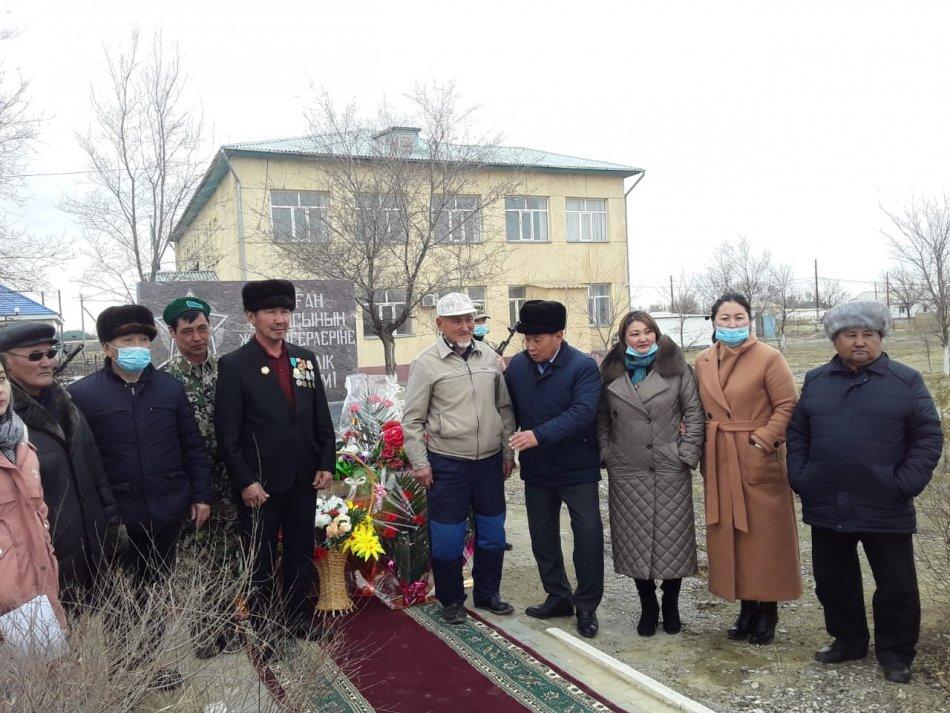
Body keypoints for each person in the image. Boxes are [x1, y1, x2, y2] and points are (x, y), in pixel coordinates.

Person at [787, 301, 942, 684]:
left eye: (867, 334)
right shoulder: (817, 380)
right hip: (827, 499)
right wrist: (801, 475)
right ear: (835, 339)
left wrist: (904, 483)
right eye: (850, 335)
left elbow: (928, 436)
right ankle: (848, 640)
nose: (859, 342)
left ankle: (896, 654)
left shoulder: (906, 381)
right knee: (833, 579)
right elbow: (799, 433)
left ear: (880, 338)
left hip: (884, 501)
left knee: (896, 584)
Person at [69, 304, 212, 690]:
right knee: (120, 599)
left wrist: (201, 494)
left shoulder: (169, 387)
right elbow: (80, 461)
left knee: (155, 590)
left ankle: (149, 665)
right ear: (108, 348)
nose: (138, 347)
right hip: (117, 518)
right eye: (127, 340)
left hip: (167, 509)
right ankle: (124, 671)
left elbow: (192, 445)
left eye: (144, 340)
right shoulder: (83, 395)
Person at [214, 279, 336, 645]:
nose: (280, 319)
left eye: (284, 311)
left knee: (300, 554)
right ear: (252, 317)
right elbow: (228, 434)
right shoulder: (235, 365)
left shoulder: (304, 359)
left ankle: (298, 617)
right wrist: (245, 481)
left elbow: (319, 418)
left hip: (302, 479)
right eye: (271, 312)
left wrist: (325, 461)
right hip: (260, 486)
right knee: (261, 563)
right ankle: (266, 629)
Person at [694, 292, 801, 646]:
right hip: (720, 459)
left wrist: (764, 439)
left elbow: (787, 404)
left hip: (758, 457)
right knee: (731, 534)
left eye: (739, 317)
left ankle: (768, 608)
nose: (732, 324)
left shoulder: (769, 357)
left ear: (750, 320)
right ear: (713, 322)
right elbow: (697, 408)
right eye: (724, 318)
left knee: (765, 536)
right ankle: (744, 605)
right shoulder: (704, 360)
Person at [403, 292, 516, 625]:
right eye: (457, 321)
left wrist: (508, 450)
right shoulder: (426, 364)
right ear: (440, 324)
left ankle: (488, 594)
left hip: (489, 463)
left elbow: (504, 408)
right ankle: (451, 600)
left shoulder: (489, 357)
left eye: (469, 319)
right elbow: (411, 420)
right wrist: (420, 462)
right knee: (448, 536)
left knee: (493, 532)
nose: (465, 326)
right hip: (447, 463)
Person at [0, 322, 124, 605]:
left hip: (91, 550)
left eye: (51, 353)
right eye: (35, 356)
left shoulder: (69, 406)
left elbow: (96, 471)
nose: (47, 362)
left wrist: (113, 526)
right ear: (6, 363)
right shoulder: (8, 425)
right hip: (42, 562)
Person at [597, 311, 704, 636]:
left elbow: (694, 413)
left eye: (647, 332)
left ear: (656, 334)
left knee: (675, 540)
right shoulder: (611, 374)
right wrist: (607, 453)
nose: (641, 339)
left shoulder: (678, 370)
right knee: (634, 541)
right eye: (634, 334)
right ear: (623, 339)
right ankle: (648, 606)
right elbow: (602, 419)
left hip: (669, 468)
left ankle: (670, 603)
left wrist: (685, 453)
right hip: (627, 470)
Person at [504, 300, 604, 638]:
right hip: (538, 470)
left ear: (559, 336)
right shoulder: (517, 367)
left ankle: (586, 606)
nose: (530, 347)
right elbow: (507, 409)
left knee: (587, 535)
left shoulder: (583, 367)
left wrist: (538, 434)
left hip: (577, 467)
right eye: (526, 340)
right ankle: (558, 596)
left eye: (538, 340)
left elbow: (583, 412)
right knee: (542, 535)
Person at [161, 296, 241, 659]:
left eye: (202, 329)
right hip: (193, 486)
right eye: (188, 331)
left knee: (229, 558)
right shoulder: (165, 381)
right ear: (173, 334)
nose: (196, 337)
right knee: (196, 563)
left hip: (229, 483)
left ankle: (226, 628)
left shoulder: (228, 372)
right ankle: (204, 635)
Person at [0, 358, 67, 636]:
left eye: (1, 378)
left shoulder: (21, 438)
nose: (0, 389)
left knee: (47, 674)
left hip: (39, 585)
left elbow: (38, 510)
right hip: (6, 594)